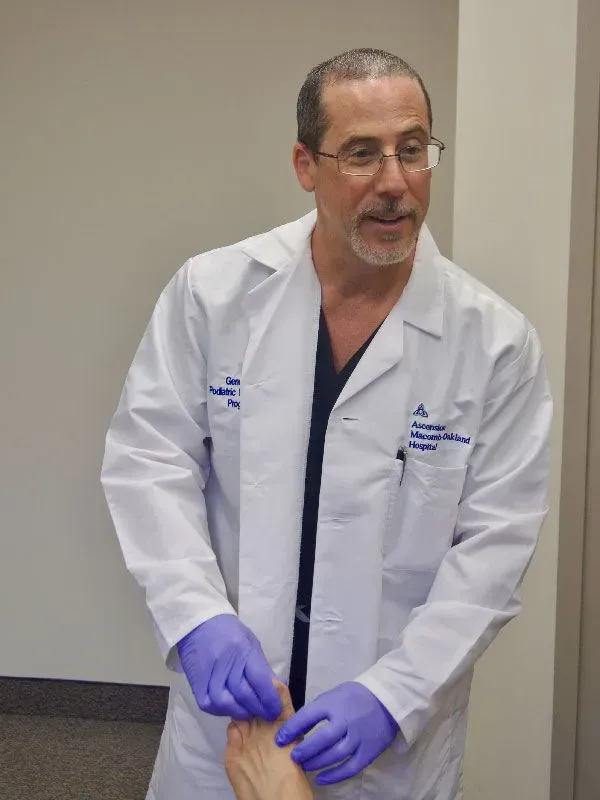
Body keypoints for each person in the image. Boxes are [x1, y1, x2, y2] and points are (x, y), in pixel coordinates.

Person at [101, 47, 552, 800]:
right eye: (362, 155)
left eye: (413, 150)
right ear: (305, 165)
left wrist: (395, 695)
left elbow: (495, 552)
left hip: (385, 742)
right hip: (231, 732)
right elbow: (150, 461)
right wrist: (196, 618)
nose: (394, 183)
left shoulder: (495, 345)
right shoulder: (214, 295)